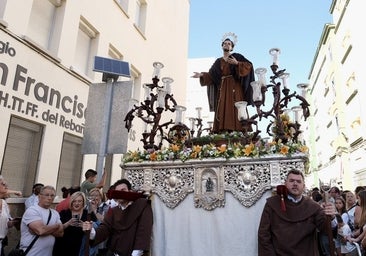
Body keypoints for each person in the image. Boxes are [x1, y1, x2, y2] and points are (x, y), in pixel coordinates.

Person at [257, 169, 336, 256]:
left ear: (304, 186)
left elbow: (325, 229)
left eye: (298, 181)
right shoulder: (272, 204)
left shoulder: (313, 206)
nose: (295, 184)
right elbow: (264, 235)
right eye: (291, 181)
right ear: (285, 183)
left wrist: (331, 217)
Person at [191, 33, 255, 133]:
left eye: (229, 44)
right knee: (222, 108)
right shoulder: (218, 61)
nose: (227, 45)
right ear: (222, 46)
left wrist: (237, 63)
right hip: (223, 89)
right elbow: (212, 75)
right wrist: (202, 75)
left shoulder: (237, 57)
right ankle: (223, 131)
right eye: (225, 43)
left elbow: (249, 66)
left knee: (237, 106)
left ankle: (239, 130)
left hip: (235, 87)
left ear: (232, 47)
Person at [82, 178, 153, 256]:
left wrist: (136, 253)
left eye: (123, 190)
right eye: (117, 191)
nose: (120, 193)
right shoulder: (114, 211)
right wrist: (91, 231)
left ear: (130, 191)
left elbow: (143, 232)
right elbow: (105, 228)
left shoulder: (142, 205)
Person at [20, 185, 64, 256]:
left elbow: (60, 233)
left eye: (52, 195)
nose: (49, 198)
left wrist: (44, 229)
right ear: (39, 196)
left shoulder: (55, 213)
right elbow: (40, 231)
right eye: (46, 195)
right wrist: (57, 225)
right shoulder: (32, 210)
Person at [53, 191, 88, 256]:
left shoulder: (88, 214)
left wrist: (85, 227)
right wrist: (67, 223)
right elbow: (56, 229)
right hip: (62, 247)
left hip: (80, 249)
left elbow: (95, 232)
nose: (76, 203)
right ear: (71, 202)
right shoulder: (64, 213)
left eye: (79, 201)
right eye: (74, 201)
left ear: (83, 202)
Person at [0, 176, 21, 255]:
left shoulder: (4, 203)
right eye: (3, 184)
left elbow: (6, 223)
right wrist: (15, 191)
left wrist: (13, 222)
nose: (6, 185)